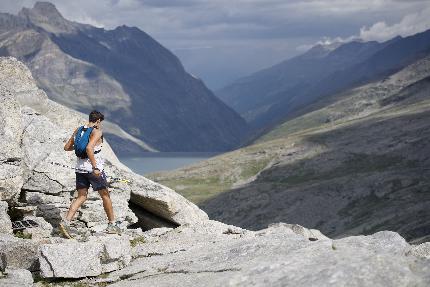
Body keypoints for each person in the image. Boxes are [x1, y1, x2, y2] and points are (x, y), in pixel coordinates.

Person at [59, 110, 121, 238]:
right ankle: (112, 225)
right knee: (105, 195)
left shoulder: (78, 130)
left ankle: (66, 222)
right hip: (93, 170)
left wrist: (79, 148)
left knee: (81, 196)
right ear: (98, 121)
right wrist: (95, 167)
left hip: (80, 169)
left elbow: (67, 147)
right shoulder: (97, 132)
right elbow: (89, 148)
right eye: (101, 122)